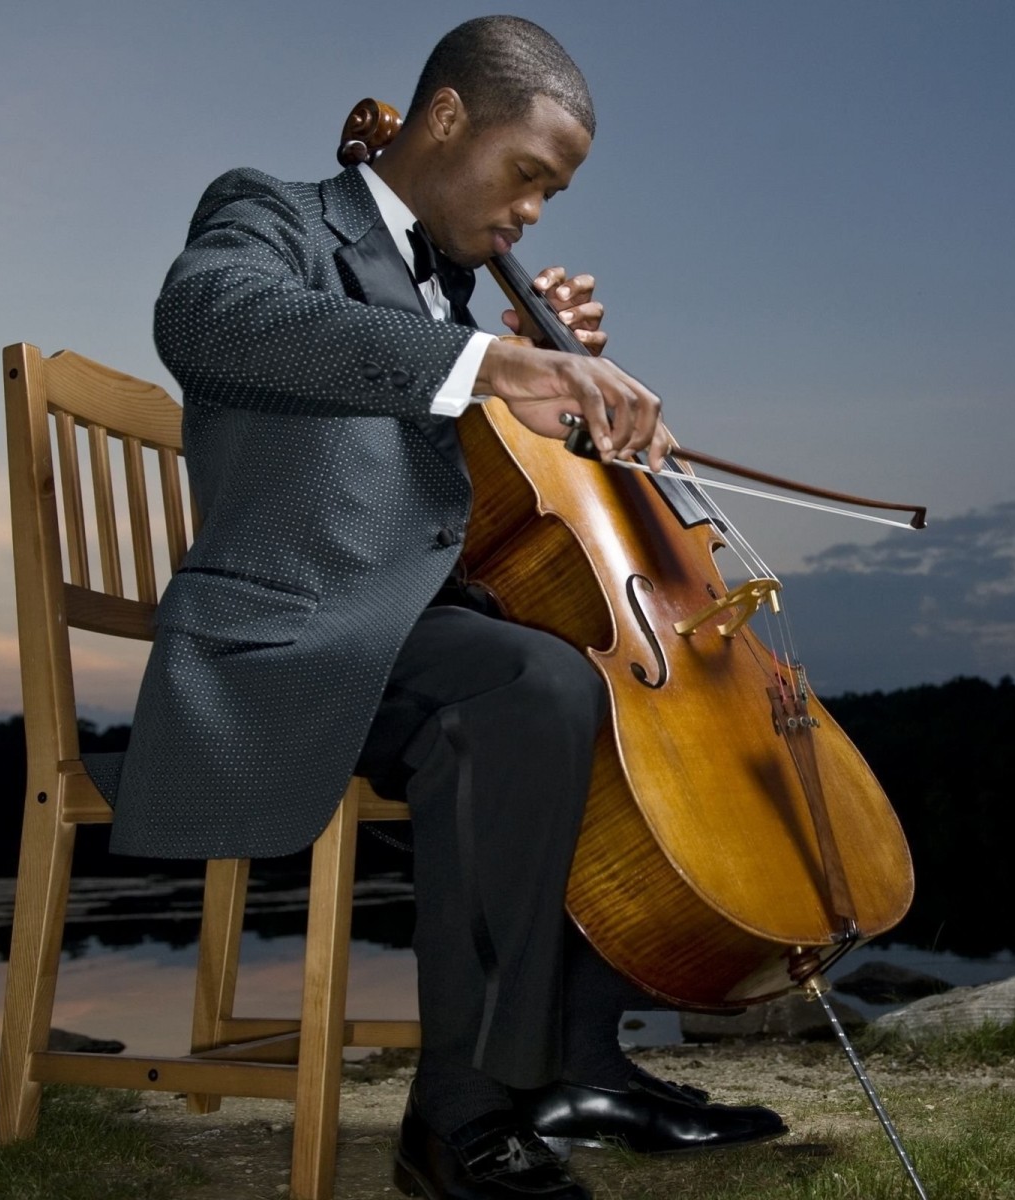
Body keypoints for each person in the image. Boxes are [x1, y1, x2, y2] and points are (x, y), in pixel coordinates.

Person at [109, 16, 785, 1200]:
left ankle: (582, 1068)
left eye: (552, 195)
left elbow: (478, 502)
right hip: (294, 636)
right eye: (527, 176)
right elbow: (209, 321)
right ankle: (458, 1119)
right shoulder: (276, 213)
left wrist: (526, 380)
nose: (533, 213)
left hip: (424, 631)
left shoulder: (458, 312)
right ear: (447, 117)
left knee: (598, 688)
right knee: (530, 686)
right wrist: (496, 366)